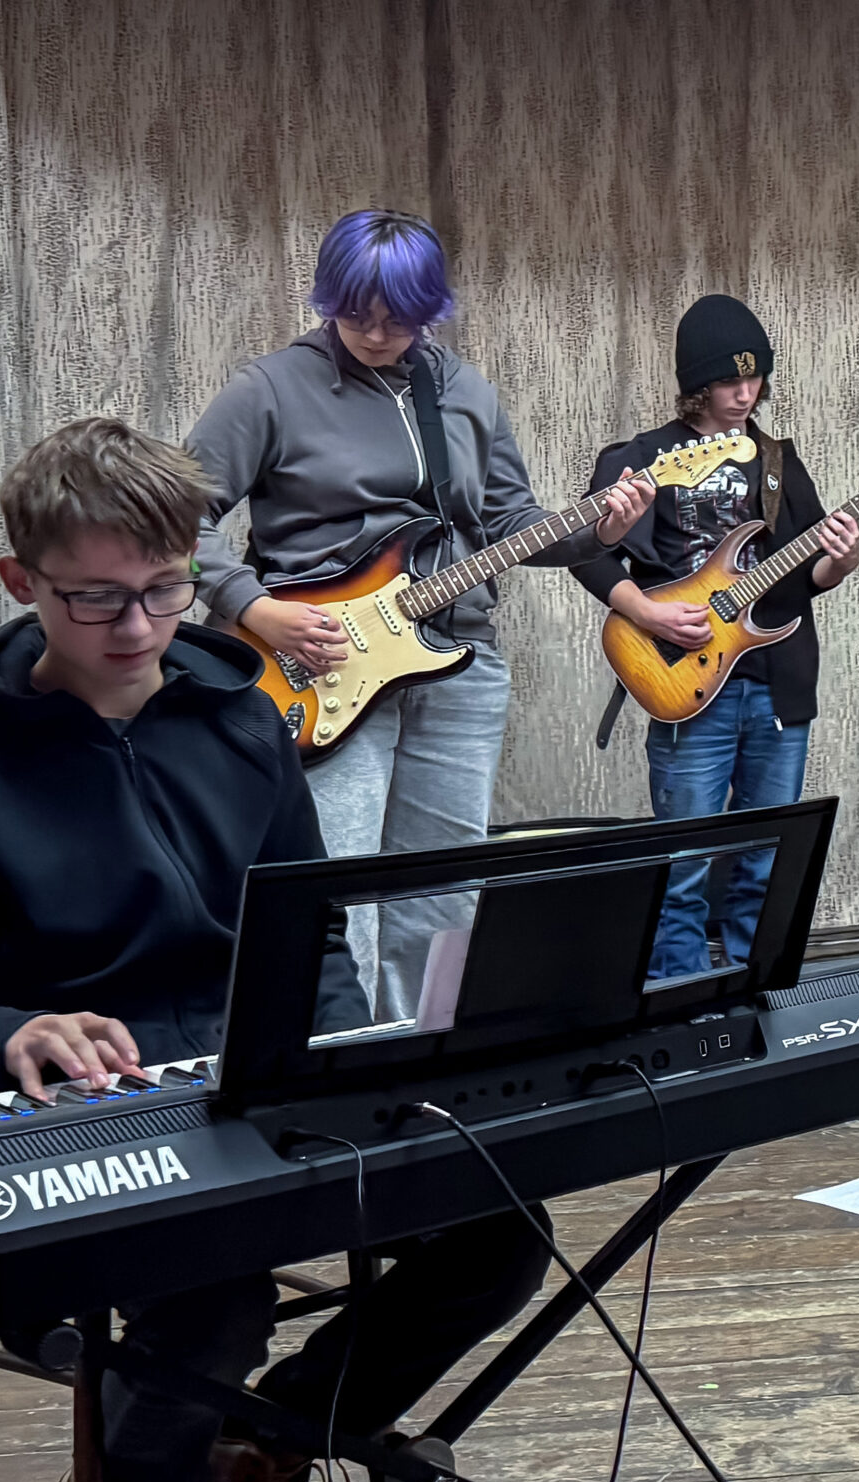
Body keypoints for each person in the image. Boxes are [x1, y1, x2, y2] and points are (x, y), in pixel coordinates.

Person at [0, 419, 552, 1482]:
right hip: (76, 1129)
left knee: (501, 1230)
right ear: (21, 582)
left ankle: (258, 1453)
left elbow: (309, 933)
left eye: (165, 590)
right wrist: (7, 1033)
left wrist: (344, 1054)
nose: (138, 627)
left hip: (255, 1095)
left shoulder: (243, 724)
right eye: (94, 598)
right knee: (212, 1286)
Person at [187, 208, 654, 1019]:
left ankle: (415, 1062)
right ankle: (335, 1066)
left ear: (430, 307)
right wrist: (254, 609)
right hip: (324, 662)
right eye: (355, 313)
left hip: (458, 666)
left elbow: (511, 524)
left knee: (441, 895)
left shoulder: (466, 392)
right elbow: (170, 521)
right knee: (337, 890)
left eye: (398, 317)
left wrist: (598, 533)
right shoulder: (270, 390)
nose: (375, 333)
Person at [572, 294, 859, 980]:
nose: (745, 394)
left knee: (766, 859)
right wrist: (647, 614)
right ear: (696, 385)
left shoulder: (777, 461)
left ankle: (754, 994)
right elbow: (587, 552)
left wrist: (841, 562)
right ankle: (677, 1001)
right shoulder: (642, 458)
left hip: (776, 682)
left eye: (755, 378)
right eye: (730, 381)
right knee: (683, 864)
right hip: (686, 677)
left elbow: (807, 573)